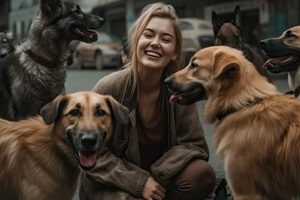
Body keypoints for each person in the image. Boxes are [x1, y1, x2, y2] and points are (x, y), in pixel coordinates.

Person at [80, 2, 216, 200]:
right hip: (114, 184)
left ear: (175, 52)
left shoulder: (179, 92)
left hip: (159, 182)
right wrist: (138, 182)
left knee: (202, 175)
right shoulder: (108, 89)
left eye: (166, 39)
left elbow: (195, 146)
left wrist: (156, 175)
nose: (155, 43)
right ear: (137, 41)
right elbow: (90, 153)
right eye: (149, 35)